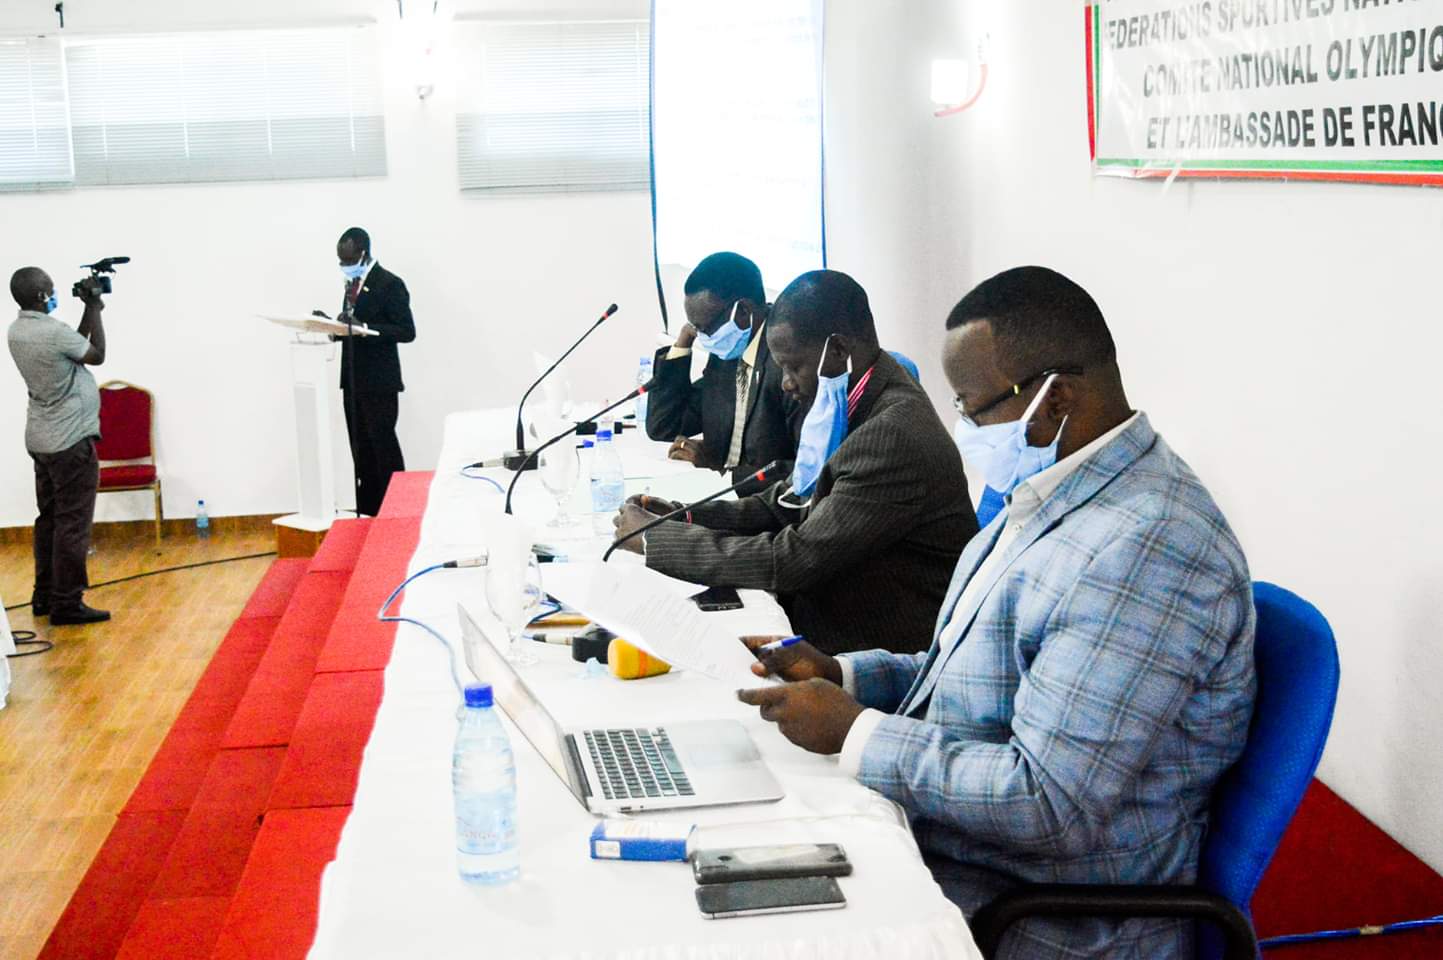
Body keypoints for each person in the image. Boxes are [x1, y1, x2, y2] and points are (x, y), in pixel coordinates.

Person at [736, 266, 1257, 959]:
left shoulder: (1148, 546)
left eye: (972, 407)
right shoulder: (1054, 490)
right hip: (961, 851)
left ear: (1054, 398)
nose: (963, 428)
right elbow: (972, 670)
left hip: (1041, 914)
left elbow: (1049, 806)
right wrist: (843, 674)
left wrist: (857, 732)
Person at [615, 270, 978, 655]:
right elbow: (787, 502)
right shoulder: (850, 398)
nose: (786, 384)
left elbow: (794, 559)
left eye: (792, 367)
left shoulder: (889, 435)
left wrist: (654, 540)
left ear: (838, 351)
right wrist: (684, 516)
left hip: (873, 645)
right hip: (833, 610)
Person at [645, 252, 801, 495]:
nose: (703, 337)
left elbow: (806, 469)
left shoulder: (788, 360)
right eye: (695, 328)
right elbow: (664, 425)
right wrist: (682, 343)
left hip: (769, 506)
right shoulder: (726, 352)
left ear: (743, 310)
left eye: (705, 328)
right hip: (724, 498)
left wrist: (723, 468)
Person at [7, 267, 110, 624]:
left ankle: (45, 595)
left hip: (42, 439)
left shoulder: (18, 330)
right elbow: (96, 353)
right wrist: (94, 307)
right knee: (72, 524)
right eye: (50, 289)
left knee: (49, 519)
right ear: (41, 296)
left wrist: (88, 310)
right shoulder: (50, 332)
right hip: (70, 441)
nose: (54, 293)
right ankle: (67, 603)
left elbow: (72, 347)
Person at [327, 227, 415, 517]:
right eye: (341, 260)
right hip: (352, 380)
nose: (345, 265)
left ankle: (395, 511)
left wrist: (365, 328)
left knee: (383, 449)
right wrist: (334, 327)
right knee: (360, 451)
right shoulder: (351, 285)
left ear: (364, 253)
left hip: (379, 382)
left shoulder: (389, 283)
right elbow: (353, 327)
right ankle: (367, 513)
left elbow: (406, 331)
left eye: (349, 259)